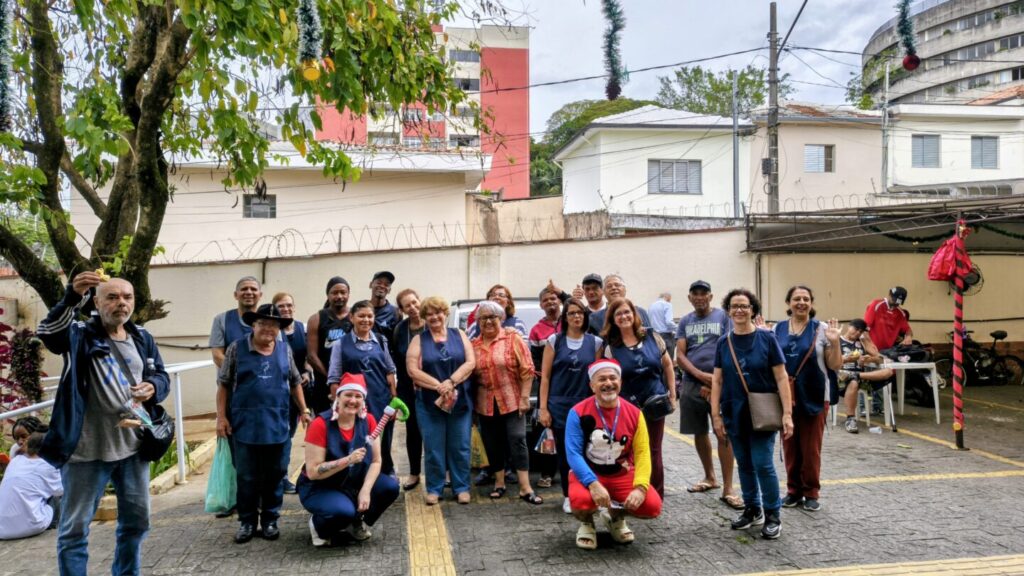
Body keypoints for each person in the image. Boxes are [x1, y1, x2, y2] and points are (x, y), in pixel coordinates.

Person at [37, 271, 170, 575]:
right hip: (86, 451)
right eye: (112, 297)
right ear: (96, 302)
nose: (121, 303)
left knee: (137, 523)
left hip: (133, 449)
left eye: (127, 297)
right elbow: (47, 332)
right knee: (74, 530)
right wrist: (71, 295)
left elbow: (161, 375)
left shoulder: (142, 336)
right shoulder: (79, 333)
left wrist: (153, 386)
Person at [217, 303, 312, 544]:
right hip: (244, 423)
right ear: (254, 325)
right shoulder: (236, 349)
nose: (269, 329)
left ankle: (270, 519)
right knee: (247, 476)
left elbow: (294, 382)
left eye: (274, 325)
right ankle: (247, 522)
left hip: (277, 422)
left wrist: (303, 409)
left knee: (275, 473)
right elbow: (224, 384)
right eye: (264, 324)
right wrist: (221, 417)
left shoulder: (284, 349)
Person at [711, 288, 793, 540]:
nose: (739, 310)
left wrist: (787, 414)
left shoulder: (767, 339)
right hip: (734, 413)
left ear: (753, 310)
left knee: (763, 463)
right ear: (728, 311)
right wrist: (715, 415)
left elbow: (781, 377)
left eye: (744, 306)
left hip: (763, 413)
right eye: (734, 306)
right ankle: (752, 508)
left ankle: (772, 514)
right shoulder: (723, 342)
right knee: (744, 464)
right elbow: (717, 381)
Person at [566, 359, 662, 550]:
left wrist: (641, 487)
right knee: (581, 501)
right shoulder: (577, 412)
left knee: (651, 506)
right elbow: (573, 453)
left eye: (613, 378)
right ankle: (587, 524)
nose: (608, 383)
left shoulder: (635, 413)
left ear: (620, 382)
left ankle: (615, 518)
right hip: (590, 473)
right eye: (601, 379)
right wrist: (592, 484)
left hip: (622, 473)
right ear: (592, 386)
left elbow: (643, 453)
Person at [298, 373, 400, 547]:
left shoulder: (368, 420)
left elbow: (376, 461)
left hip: (353, 482)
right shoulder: (320, 424)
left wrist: (366, 490)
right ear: (337, 397)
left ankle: (355, 521)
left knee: (390, 487)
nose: (353, 400)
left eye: (358, 396)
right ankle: (318, 526)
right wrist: (347, 460)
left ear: (363, 400)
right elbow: (314, 472)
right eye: (348, 395)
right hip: (321, 486)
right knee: (342, 511)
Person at [771, 286, 841, 512]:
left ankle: (811, 491)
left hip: (815, 395)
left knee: (811, 447)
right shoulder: (777, 329)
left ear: (811, 303)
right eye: (796, 299)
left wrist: (835, 342)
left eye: (806, 299)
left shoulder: (821, 329)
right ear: (788, 303)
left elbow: (834, 365)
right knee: (789, 444)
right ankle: (793, 491)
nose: (801, 302)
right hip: (785, 395)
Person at [675, 280, 742, 510]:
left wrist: (714, 383)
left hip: (719, 383)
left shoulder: (723, 318)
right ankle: (710, 477)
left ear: (711, 296)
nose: (700, 297)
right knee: (698, 431)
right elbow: (681, 355)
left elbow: (730, 348)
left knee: (722, 432)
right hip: (692, 384)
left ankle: (729, 487)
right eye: (696, 294)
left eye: (704, 294)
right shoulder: (685, 321)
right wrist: (698, 375)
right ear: (690, 298)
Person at [600, 298, 675, 497]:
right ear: (613, 320)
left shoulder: (652, 337)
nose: (624, 317)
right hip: (628, 408)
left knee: (653, 450)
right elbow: (608, 378)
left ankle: (655, 494)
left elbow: (667, 365)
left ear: (634, 314)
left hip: (655, 403)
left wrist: (673, 395)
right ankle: (631, 492)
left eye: (627, 312)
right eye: (618, 314)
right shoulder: (611, 347)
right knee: (629, 452)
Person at [405, 296, 476, 505]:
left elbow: (471, 362)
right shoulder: (418, 340)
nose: (434, 317)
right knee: (433, 447)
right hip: (429, 404)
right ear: (425, 317)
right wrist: (439, 386)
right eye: (429, 314)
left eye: (438, 312)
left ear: (445, 314)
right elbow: (412, 369)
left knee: (460, 446)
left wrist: (451, 382)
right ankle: (435, 488)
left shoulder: (460, 334)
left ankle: (461, 487)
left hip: (459, 403)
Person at [471, 300, 543, 505]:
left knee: (518, 439)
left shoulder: (513, 339)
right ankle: (499, 483)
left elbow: (527, 370)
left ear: (501, 318)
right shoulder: (474, 345)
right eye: (484, 318)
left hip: (512, 400)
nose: (488, 321)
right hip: (485, 403)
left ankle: (525, 486)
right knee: (493, 444)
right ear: (478, 321)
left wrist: (524, 398)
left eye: (493, 317)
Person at [539, 298, 602, 514]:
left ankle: (591, 493)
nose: (576, 316)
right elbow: (545, 377)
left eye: (580, 313)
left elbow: (597, 377)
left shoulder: (595, 343)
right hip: (559, 405)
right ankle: (569, 495)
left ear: (585, 316)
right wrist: (543, 408)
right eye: (571, 313)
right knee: (567, 454)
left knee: (591, 451)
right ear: (565, 317)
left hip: (586, 405)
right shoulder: (554, 341)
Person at [327, 300, 398, 476]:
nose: (366, 319)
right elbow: (334, 377)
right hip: (354, 403)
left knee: (384, 441)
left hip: (381, 400)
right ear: (351, 317)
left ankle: (385, 473)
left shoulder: (381, 341)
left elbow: (390, 371)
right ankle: (359, 476)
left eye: (369, 316)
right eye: (361, 316)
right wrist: (338, 405)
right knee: (358, 439)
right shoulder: (340, 344)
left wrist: (394, 400)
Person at [272, 292, 312, 494]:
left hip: (300, 391)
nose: (286, 309)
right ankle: (281, 477)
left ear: (294, 307)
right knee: (283, 436)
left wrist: (306, 370)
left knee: (291, 433)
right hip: (280, 392)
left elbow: (307, 356)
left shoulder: (302, 328)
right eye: (281, 306)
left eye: (289, 305)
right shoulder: (273, 331)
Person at [0, 430, 64, 540]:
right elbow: (62, 490)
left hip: (2, 530)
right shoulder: (47, 465)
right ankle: (54, 529)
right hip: (31, 527)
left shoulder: (16, 460)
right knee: (55, 495)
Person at [529, 286, 563, 489]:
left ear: (559, 301)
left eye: (554, 298)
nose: (550, 302)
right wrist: (546, 378)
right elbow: (534, 361)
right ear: (541, 305)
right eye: (546, 300)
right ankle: (547, 473)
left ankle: (571, 471)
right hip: (548, 388)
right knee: (547, 429)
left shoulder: (570, 323)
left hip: (570, 387)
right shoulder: (536, 330)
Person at [392, 288, 425, 490]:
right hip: (407, 388)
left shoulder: (433, 323)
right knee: (413, 432)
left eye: (414, 302)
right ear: (402, 309)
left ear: (420, 300)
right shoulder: (400, 329)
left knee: (436, 431)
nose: (412, 308)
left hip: (433, 387)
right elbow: (397, 359)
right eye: (407, 305)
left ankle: (444, 473)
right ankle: (414, 473)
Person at [837, 319, 894, 434]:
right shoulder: (837, 340)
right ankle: (850, 419)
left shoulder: (861, 342)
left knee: (888, 372)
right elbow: (829, 361)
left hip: (860, 376)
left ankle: (856, 375)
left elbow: (879, 358)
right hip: (841, 378)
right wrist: (846, 359)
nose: (858, 333)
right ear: (849, 326)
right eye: (856, 329)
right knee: (853, 382)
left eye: (861, 331)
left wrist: (867, 359)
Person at [307, 276, 353, 414]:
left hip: (351, 382)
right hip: (324, 383)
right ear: (328, 294)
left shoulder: (355, 316)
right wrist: (331, 378)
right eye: (335, 292)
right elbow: (311, 356)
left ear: (348, 294)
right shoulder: (316, 318)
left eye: (343, 292)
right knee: (325, 425)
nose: (339, 296)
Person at [209, 276, 262, 369]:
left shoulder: (270, 321)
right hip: (232, 381)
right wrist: (242, 373)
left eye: (253, 289)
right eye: (244, 289)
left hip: (263, 380)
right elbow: (217, 355)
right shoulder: (221, 320)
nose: (249, 292)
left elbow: (277, 353)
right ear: (235, 295)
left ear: (260, 295)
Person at [369, 271, 402, 338]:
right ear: (370, 285)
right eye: (379, 283)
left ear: (389, 290)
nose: (382, 286)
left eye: (386, 285)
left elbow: (398, 339)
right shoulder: (360, 308)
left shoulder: (396, 312)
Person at [648, 292, 678, 359]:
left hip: (654, 336)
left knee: (658, 359)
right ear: (667, 298)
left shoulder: (651, 306)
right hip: (666, 336)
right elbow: (669, 322)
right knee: (668, 361)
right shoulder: (667, 304)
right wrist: (678, 329)